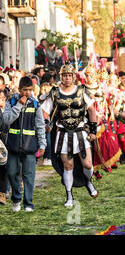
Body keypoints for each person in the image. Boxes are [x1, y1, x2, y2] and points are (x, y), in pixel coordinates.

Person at [41, 62, 99, 207]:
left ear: (73, 76)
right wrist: (47, 123)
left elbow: (91, 110)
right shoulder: (54, 92)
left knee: (88, 164)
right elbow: (44, 112)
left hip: (80, 133)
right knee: (68, 166)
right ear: (61, 77)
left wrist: (93, 130)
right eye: (64, 76)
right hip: (63, 134)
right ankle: (69, 195)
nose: (67, 78)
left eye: (69, 75)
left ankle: (88, 181)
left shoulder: (82, 91)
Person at [3, 76, 46, 212]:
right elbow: (6, 121)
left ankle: (28, 204)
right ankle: (16, 198)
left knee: (29, 176)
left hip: (30, 146)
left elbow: (40, 125)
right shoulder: (12, 101)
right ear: (19, 89)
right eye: (25, 90)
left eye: (30, 90)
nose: (27, 93)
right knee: (11, 173)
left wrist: (43, 144)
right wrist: (19, 105)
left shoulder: (35, 104)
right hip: (13, 145)